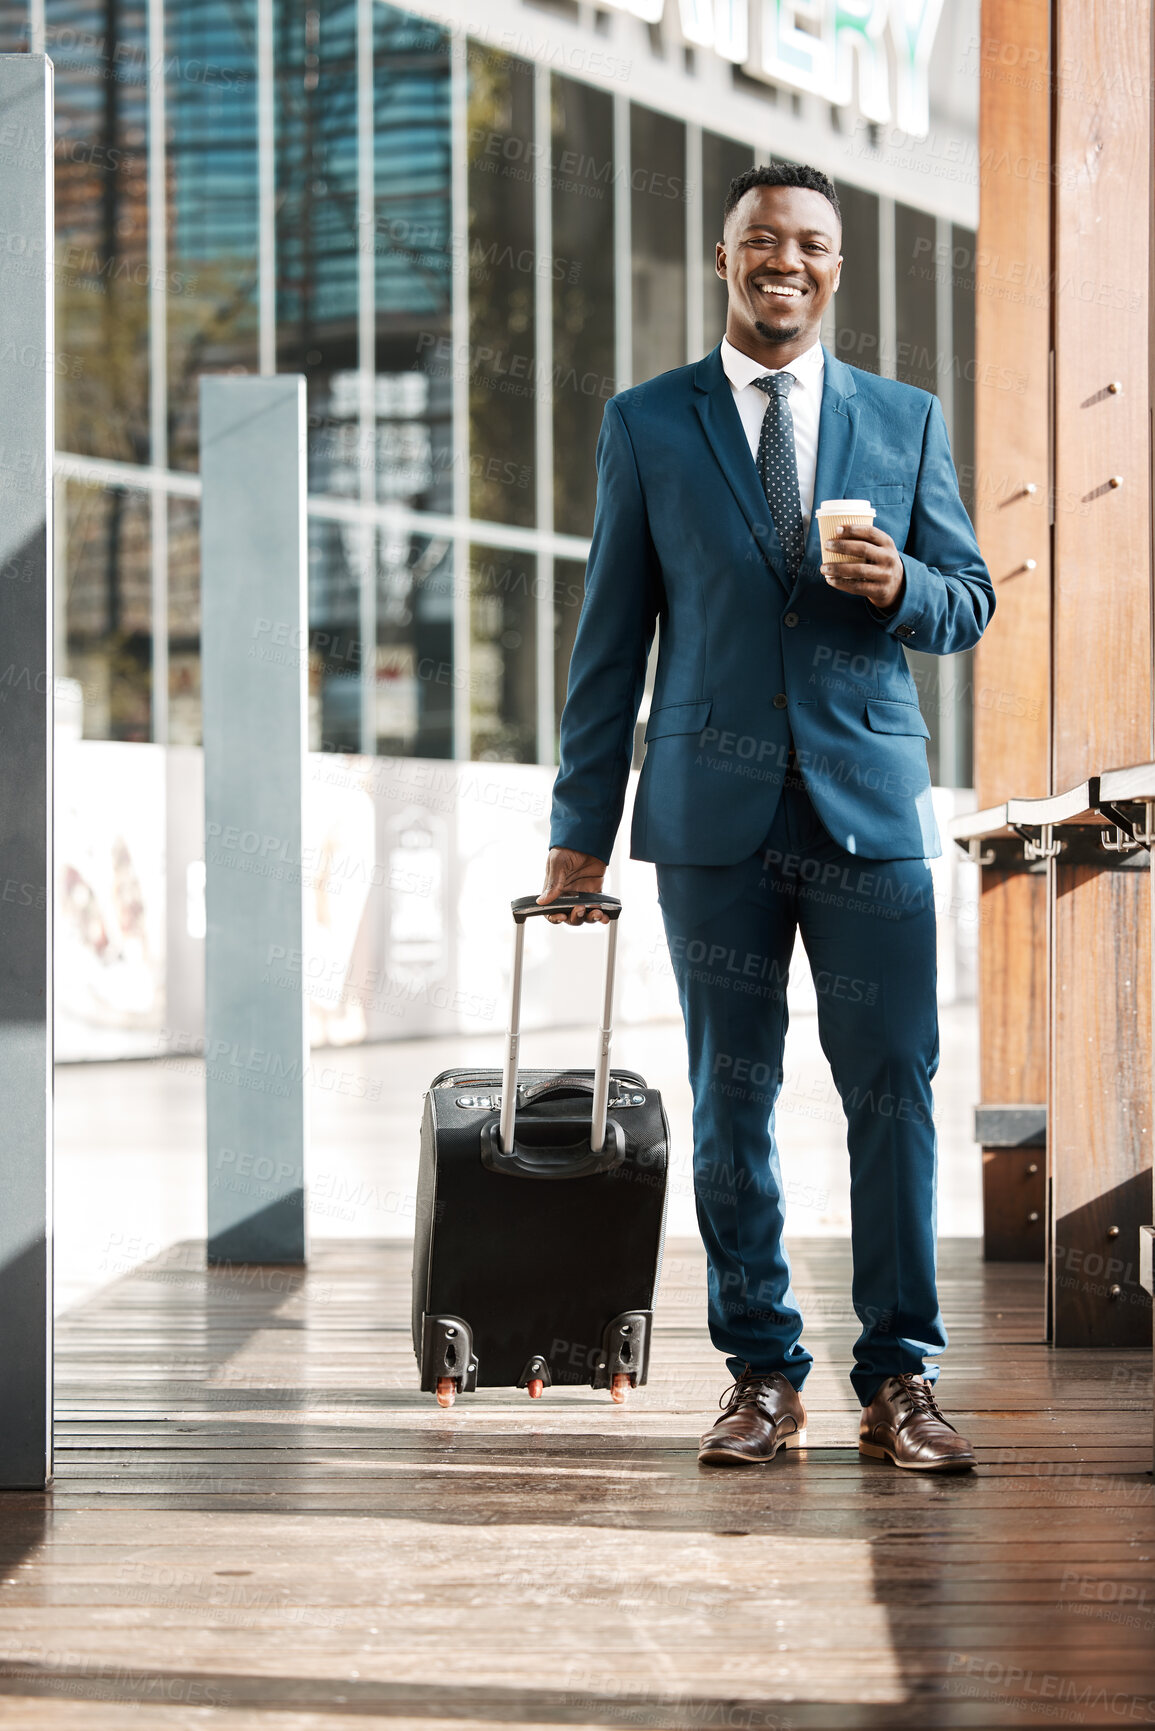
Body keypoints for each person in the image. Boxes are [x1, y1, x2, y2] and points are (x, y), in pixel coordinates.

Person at [537, 163, 994, 1473]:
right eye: (759, 240)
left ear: (835, 268)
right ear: (727, 258)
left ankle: (900, 1377)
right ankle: (761, 1375)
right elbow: (607, 646)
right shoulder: (648, 423)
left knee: (893, 1095)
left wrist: (903, 580)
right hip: (709, 818)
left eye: (808, 242)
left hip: (868, 815)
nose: (782, 259)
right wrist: (581, 828)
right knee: (731, 1099)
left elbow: (967, 601)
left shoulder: (904, 420)